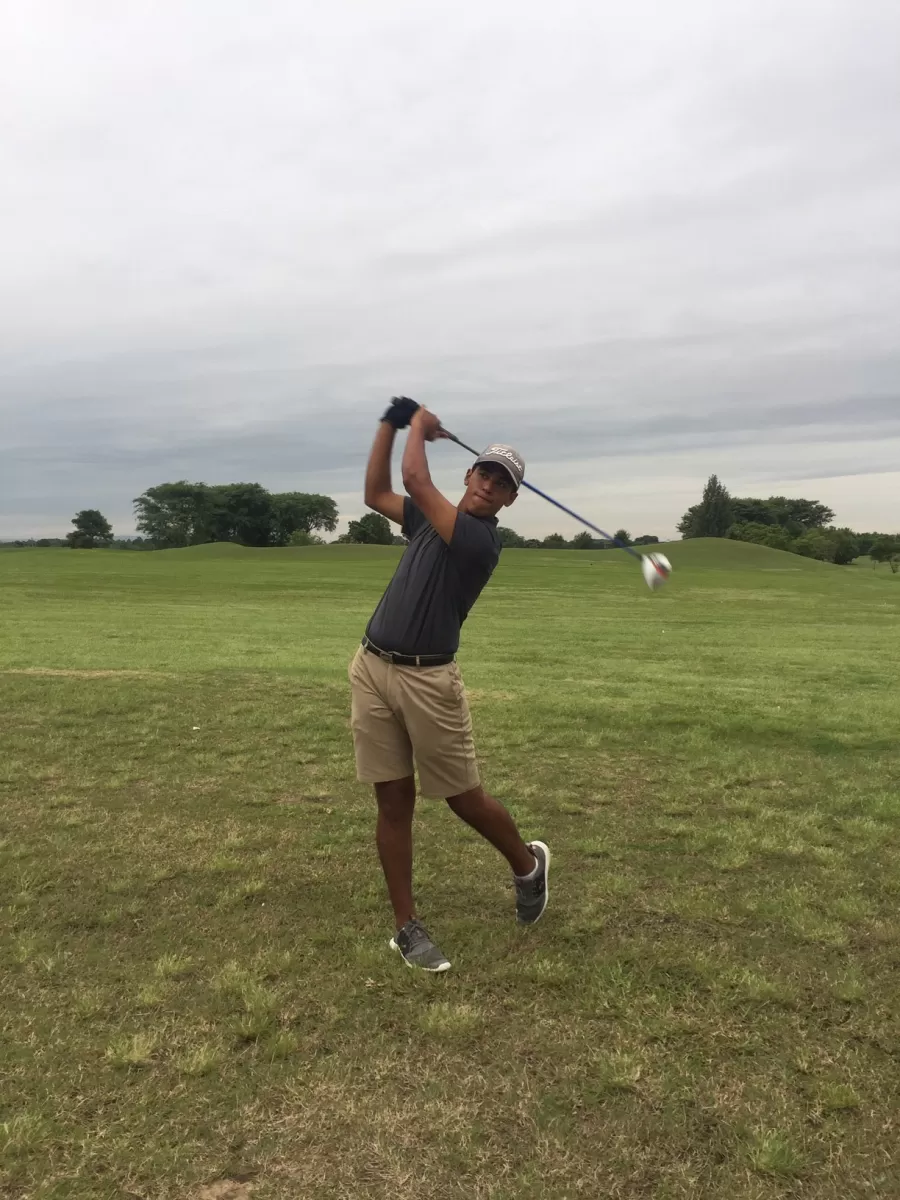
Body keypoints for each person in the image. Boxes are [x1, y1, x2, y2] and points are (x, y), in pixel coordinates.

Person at [348, 396, 550, 972]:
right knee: (393, 799)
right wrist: (389, 426)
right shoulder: (426, 522)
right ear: (470, 473)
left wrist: (417, 424)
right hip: (372, 666)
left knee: (463, 798)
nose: (489, 483)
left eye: (502, 482)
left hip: (429, 679)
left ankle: (527, 866)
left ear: (510, 500)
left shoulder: (479, 541)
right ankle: (406, 928)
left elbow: (413, 476)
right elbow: (375, 492)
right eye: (485, 471)